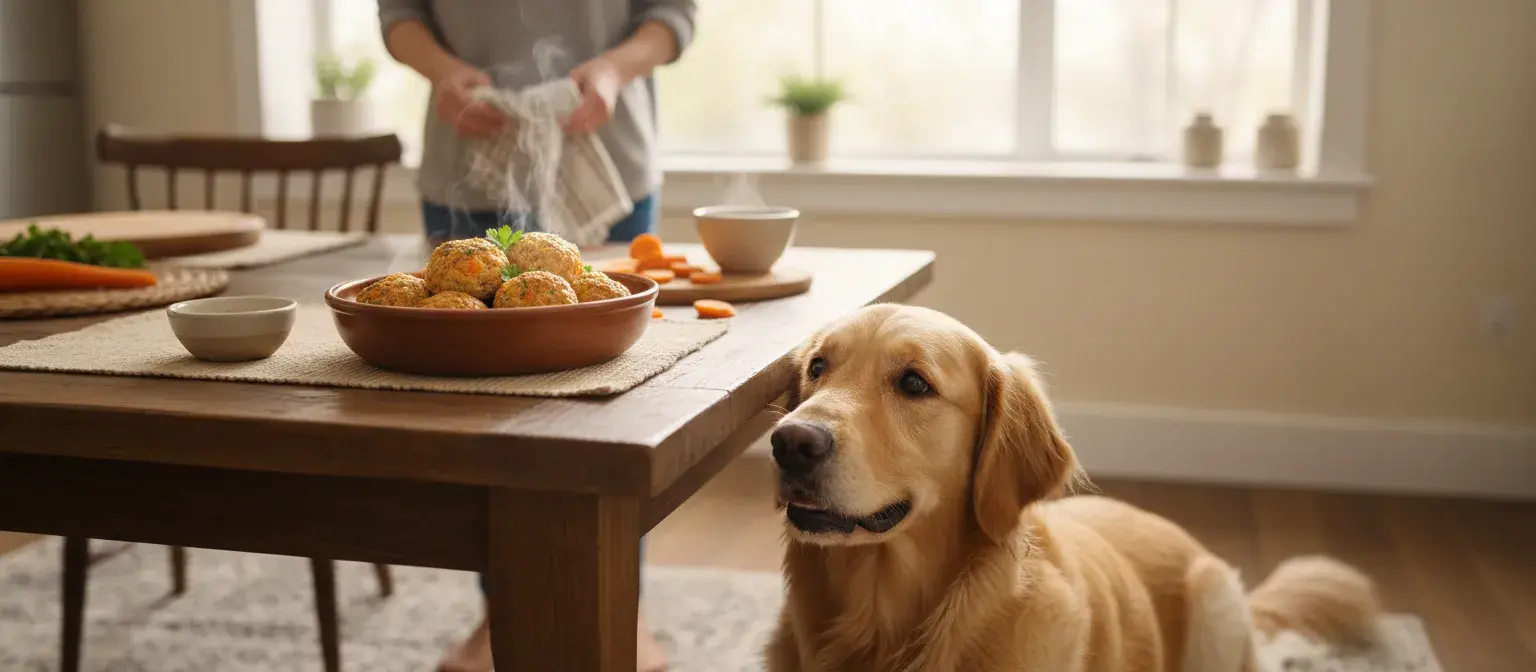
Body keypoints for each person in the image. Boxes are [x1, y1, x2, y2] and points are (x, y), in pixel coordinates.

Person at [377, 2, 695, 670]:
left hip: (606, 154)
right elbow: (400, 10)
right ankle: (501, 608)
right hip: (464, 154)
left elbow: (673, 11)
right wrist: (442, 72)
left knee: (604, 395)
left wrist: (613, 69)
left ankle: (618, 601)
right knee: (479, 403)